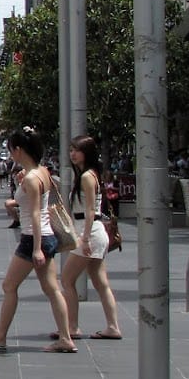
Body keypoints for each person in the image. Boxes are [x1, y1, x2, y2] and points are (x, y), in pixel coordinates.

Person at [0, 126, 76, 353]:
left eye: (12, 150)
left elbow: (34, 213)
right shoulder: (42, 173)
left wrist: (37, 249)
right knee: (52, 288)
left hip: (34, 237)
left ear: (19, 150)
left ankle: (0, 336)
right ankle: (66, 337)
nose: (11, 154)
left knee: (9, 285)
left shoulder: (32, 178)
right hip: (46, 234)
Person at [59, 135, 123, 341]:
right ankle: (112, 326)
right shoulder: (92, 175)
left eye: (76, 150)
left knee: (67, 280)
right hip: (95, 232)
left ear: (87, 152)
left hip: (89, 232)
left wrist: (84, 239)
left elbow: (88, 211)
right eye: (71, 150)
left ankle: (72, 326)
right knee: (100, 281)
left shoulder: (87, 176)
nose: (72, 154)